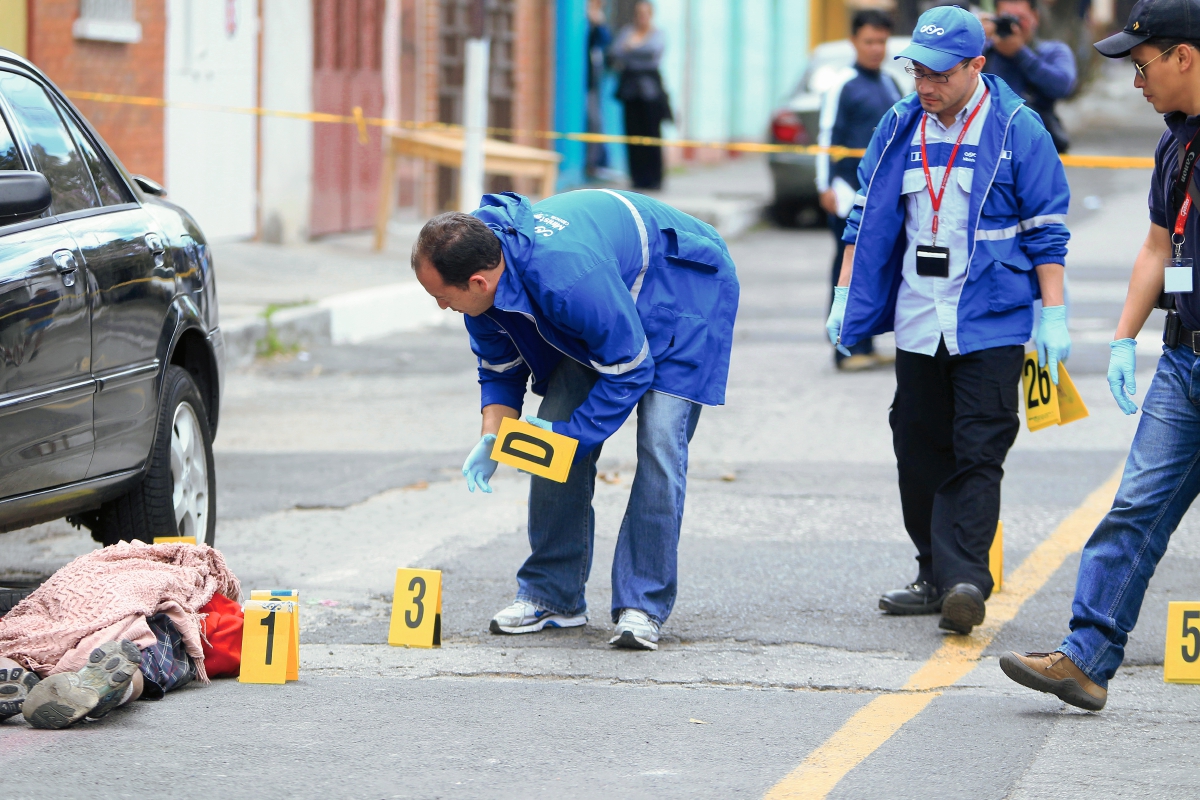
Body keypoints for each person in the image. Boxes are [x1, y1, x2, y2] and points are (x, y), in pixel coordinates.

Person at [825, 6, 1072, 635]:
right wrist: (844, 295)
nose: (925, 85)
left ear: (976, 67)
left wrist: (1054, 314)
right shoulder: (900, 125)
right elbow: (864, 219)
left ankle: (966, 580)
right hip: (918, 317)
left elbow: (1046, 232)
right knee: (916, 444)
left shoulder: (1019, 130)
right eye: (917, 72)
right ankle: (933, 571)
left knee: (979, 445)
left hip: (990, 319)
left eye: (939, 73)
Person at [411, 189, 739, 651]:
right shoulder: (482, 282)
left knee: (660, 444)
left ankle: (642, 605)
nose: (442, 307)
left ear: (479, 282)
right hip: (608, 301)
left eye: (443, 297)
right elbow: (500, 372)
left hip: (683, 288)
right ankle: (553, 595)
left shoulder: (565, 277)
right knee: (548, 443)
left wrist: (571, 436)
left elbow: (630, 368)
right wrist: (493, 436)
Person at [1001, 0, 1200, 712]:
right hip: (1184, 362)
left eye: (1142, 66)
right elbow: (1157, 247)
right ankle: (1084, 658)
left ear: (1186, 57)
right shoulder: (1176, 143)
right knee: (1136, 509)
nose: (1135, 82)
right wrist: (1122, 338)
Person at [816, 9, 902, 371]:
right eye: (869, 41)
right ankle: (845, 347)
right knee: (847, 268)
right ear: (854, 41)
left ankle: (867, 342)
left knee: (878, 269)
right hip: (848, 191)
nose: (876, 48)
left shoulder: (892, 83)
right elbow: (826, 135)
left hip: (884, 196)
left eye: (882, 41)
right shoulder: (842, 84)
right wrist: (824, 185)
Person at [983, 0, 1077, 152]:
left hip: (1038, 144)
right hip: (990, 143)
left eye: (1021, 19)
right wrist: (975, 38)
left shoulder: (1052, 51)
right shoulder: (983, 53)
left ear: (1035, 17)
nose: (1014, 26)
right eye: (1006, 19)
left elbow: (1063, 86)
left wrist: (1020, 54)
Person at [611, 1, 670, 191]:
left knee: (651, 134)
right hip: (630, 90)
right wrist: (632, 49)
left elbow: (652, 52)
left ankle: (654, 178)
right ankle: (637, 177)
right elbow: (615, 52)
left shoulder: (657, 34)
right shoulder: (627, 32)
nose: (642, 17)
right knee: (632, 134)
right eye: (639, 13)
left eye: (645, 13)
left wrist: (632, 48)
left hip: (650, 91)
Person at [586, 0, 612, 179]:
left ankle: (597, 163)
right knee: (592, 120)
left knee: (596, 122)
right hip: (585, 81)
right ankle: (592, 163)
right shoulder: (583, 20)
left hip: (595, 81)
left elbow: (606, 41)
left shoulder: (597, 21)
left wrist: (599, 22)